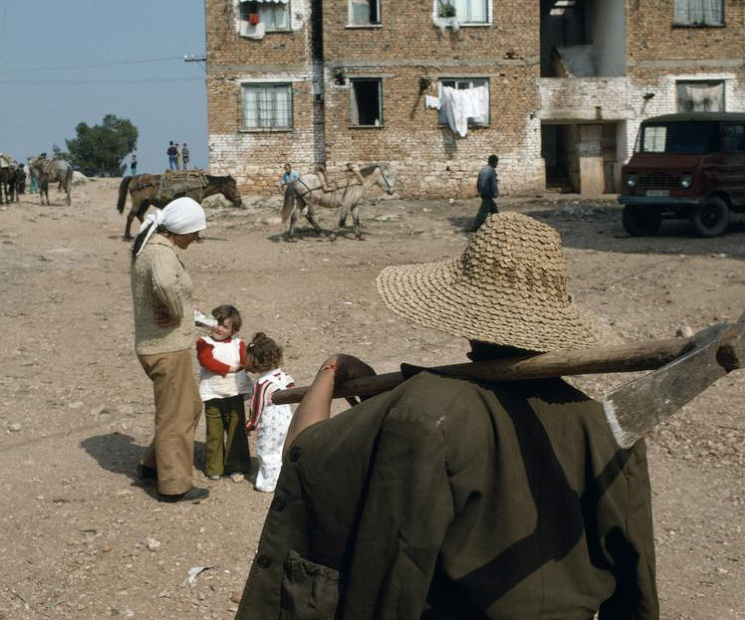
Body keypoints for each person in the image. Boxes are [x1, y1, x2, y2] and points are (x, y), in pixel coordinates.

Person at [237, 212, 657, 618]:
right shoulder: (606, 427)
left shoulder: (423, 410)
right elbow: (636, 584)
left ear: (466, 312)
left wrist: (331, 369)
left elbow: (303, 457)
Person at [131, 196, 209, 503]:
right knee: (175, 416)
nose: (197, 237)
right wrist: (178, 312)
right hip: (166, 347)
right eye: (195, 231)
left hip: (161, 345)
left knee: (187, 407)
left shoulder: (152, 245)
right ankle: (174, 485)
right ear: (181, 229)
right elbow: (165, 285)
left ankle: (152, 465)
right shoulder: (161, 253)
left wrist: (189, 311)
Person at [196, 305, 252, 482]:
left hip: (234, 394)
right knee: (214, 432)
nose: (219, 328)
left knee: (237, 431)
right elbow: (206, 361)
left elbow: (246, 362)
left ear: (233, 330)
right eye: (217, 323)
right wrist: (230, 369)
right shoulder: (204, 342)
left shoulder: (238, 344)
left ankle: (237, 466)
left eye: (225, 326)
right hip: (212, 395)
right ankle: (214, 466)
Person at [244, 332, 294, 493]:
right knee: (282, 448)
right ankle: (284, 477)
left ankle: (269, 483)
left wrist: (250, 424)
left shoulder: (262, 383)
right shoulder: (283, 375)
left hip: (270, 421)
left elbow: (257, 408)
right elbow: (292, 387)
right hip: (286, 417)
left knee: (268, 452)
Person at [471, 153, 499, 231]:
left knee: (493, 209)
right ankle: (476, 226)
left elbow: (481, 181)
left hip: (486, 193)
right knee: (484, 210)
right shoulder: (489, 171)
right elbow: (485, 183)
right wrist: (493, 193)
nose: (497, 164)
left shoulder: (486, 169)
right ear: (494, 162)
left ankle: (498, 222)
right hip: (487, 193)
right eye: (496, 163)